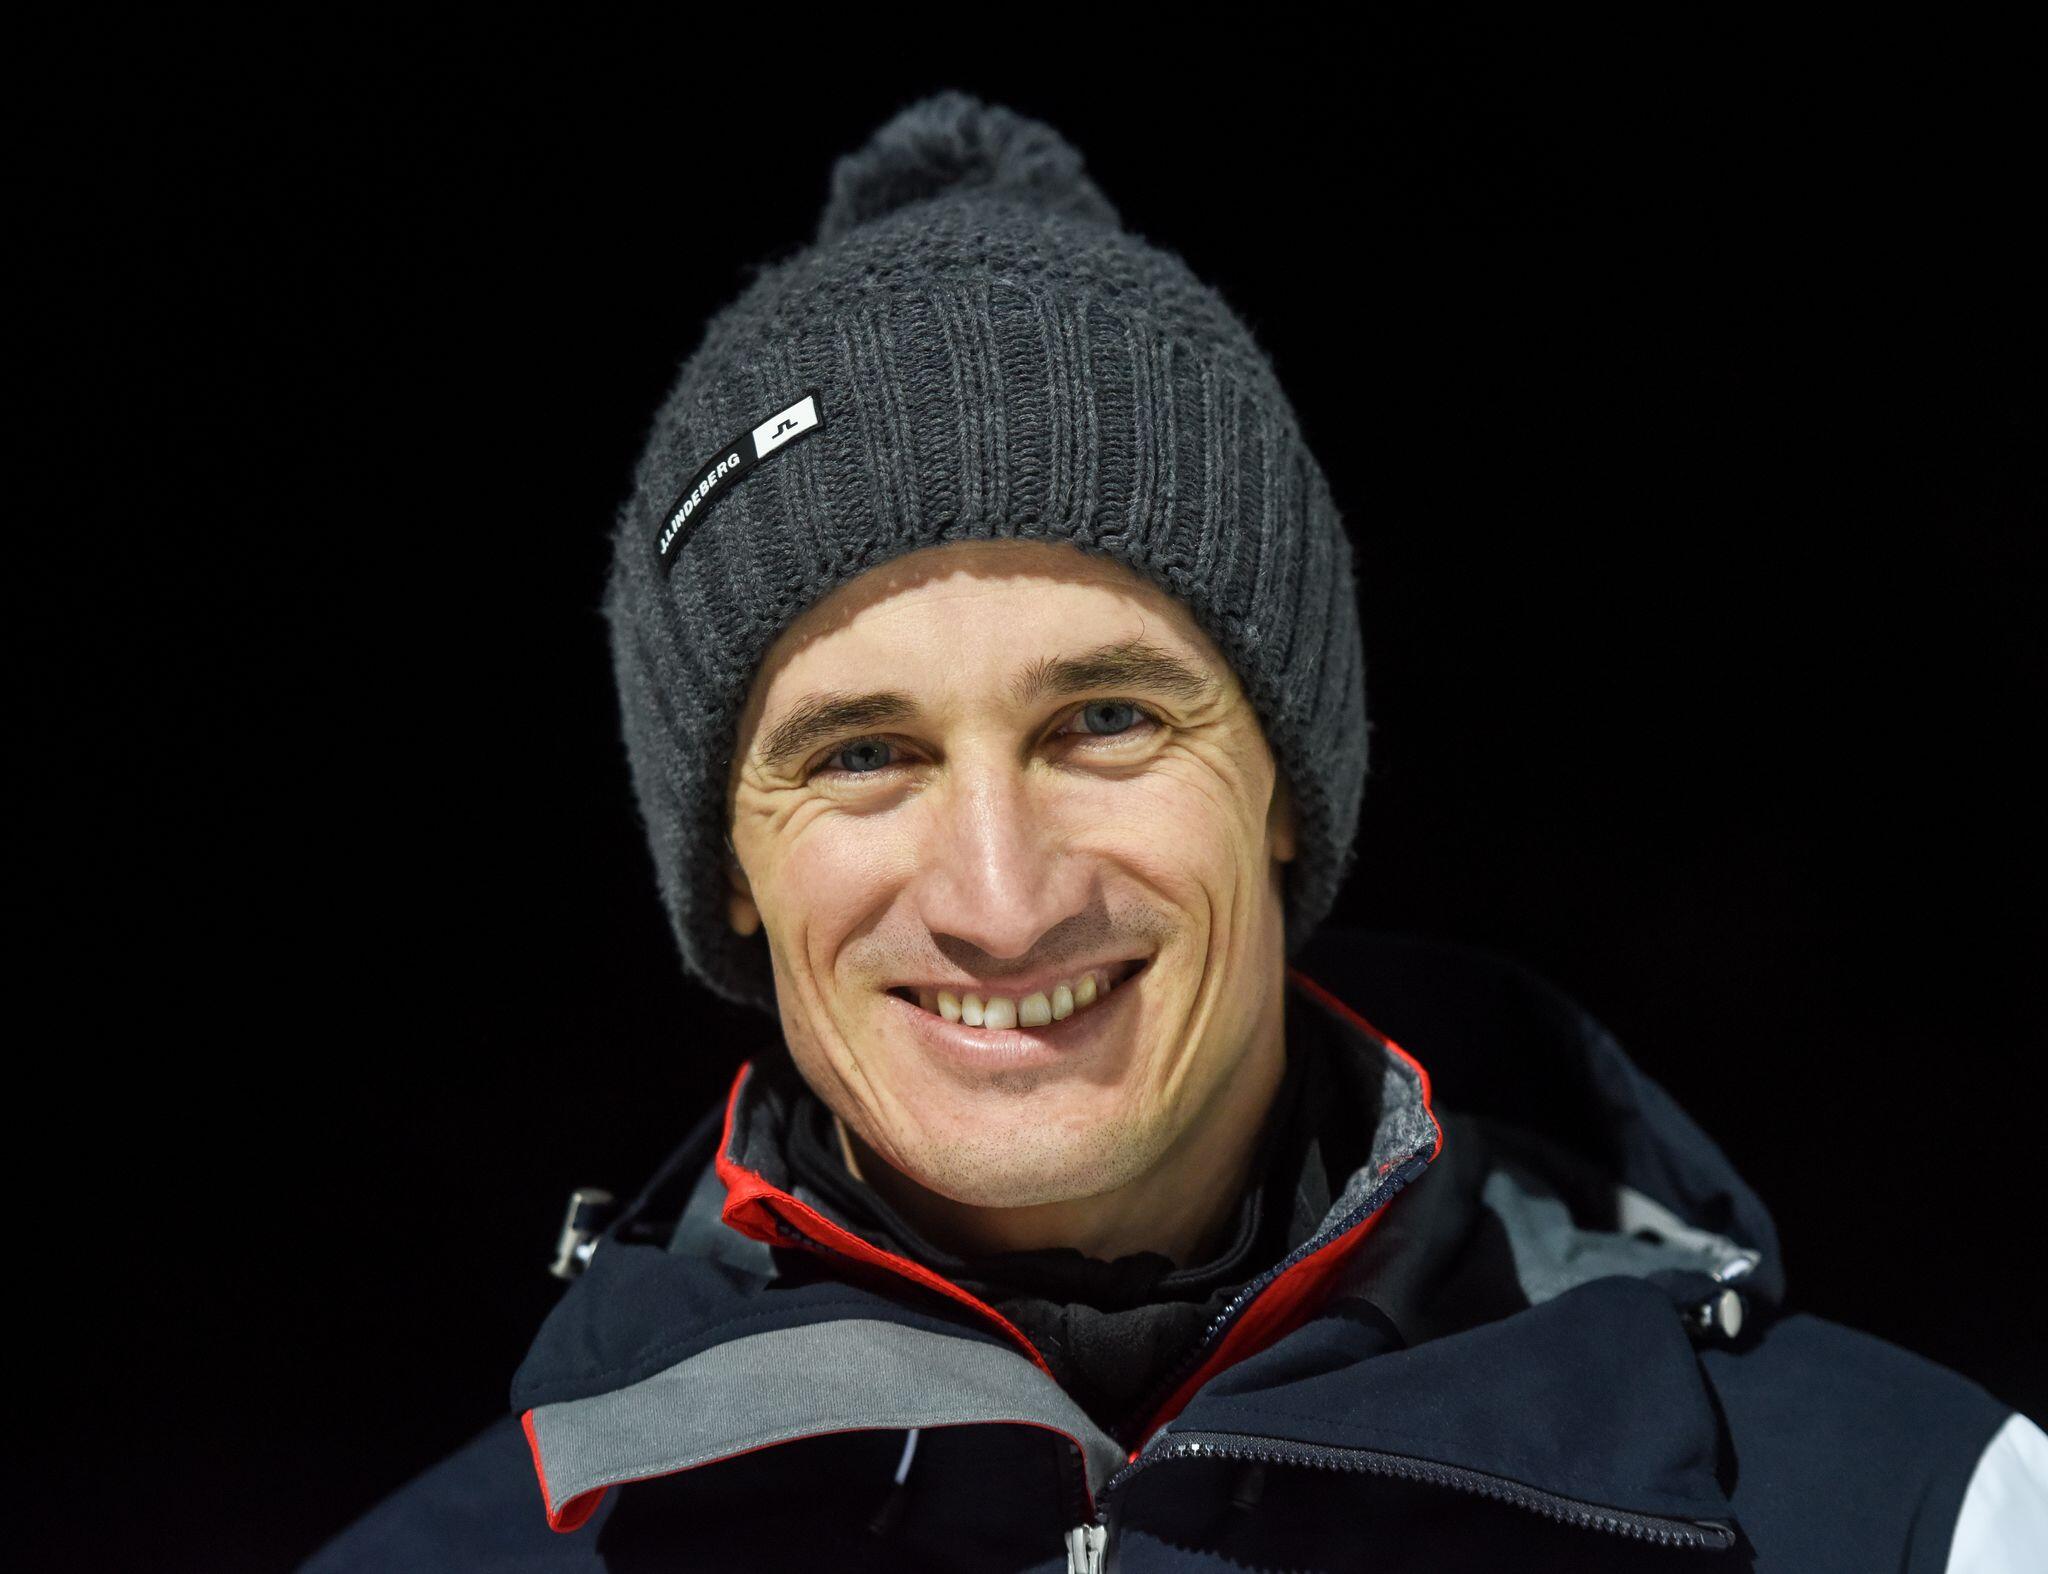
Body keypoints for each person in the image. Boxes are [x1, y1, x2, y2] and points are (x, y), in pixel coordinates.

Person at [301, 90, 2045, 1573]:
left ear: (1287, 781)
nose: (1002, 899)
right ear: (731, 878)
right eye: (863, 753)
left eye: (1107, 719)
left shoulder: (1920, 1515)